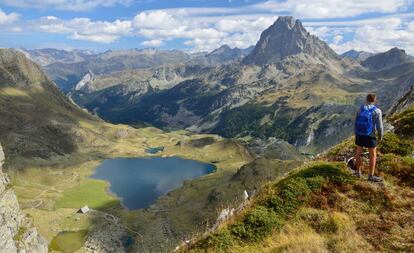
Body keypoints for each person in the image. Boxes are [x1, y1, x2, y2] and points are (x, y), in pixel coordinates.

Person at [354, 93, 384, 182]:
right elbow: (380, 126)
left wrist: (356, 133)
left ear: (366, 99)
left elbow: (355, 122)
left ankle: (358, 173)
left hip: (359, 134)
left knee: (358, 152)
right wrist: (380, 136)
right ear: (375, 100)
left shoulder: (360, 109)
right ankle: (370, 176)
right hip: (370, 135)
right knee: (373, 155)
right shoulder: (377, 111)